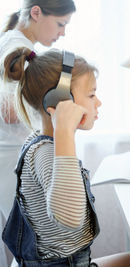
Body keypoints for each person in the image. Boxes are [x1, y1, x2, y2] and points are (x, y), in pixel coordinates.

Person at [1, 47, 130, 267]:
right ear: (60, 99)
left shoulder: (44, 143)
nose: (98, 102)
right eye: (92, 95)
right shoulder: (46, 153)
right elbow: (70, 218)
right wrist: (64, 130)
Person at [0, 0, 76, 226]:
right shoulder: (18, 48)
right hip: (13, 159)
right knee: (29, 244)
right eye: (60, 24)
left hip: (12, 156)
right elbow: (10, 111)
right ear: (36, 12)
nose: (63, 33)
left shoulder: (12, 41)